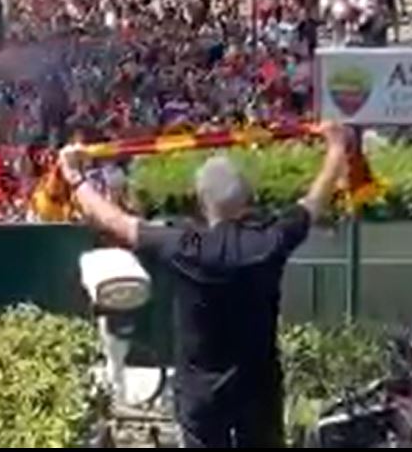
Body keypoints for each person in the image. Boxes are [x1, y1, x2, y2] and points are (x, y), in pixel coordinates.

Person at [57, 122, 350, 449]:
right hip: (258, 389)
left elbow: (114, 221)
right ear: (248, 199)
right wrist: (336, 147)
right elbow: (314, 202)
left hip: (200, 394)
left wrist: (75, 178)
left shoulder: (185, 245)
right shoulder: (269, 241)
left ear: (200, 201)